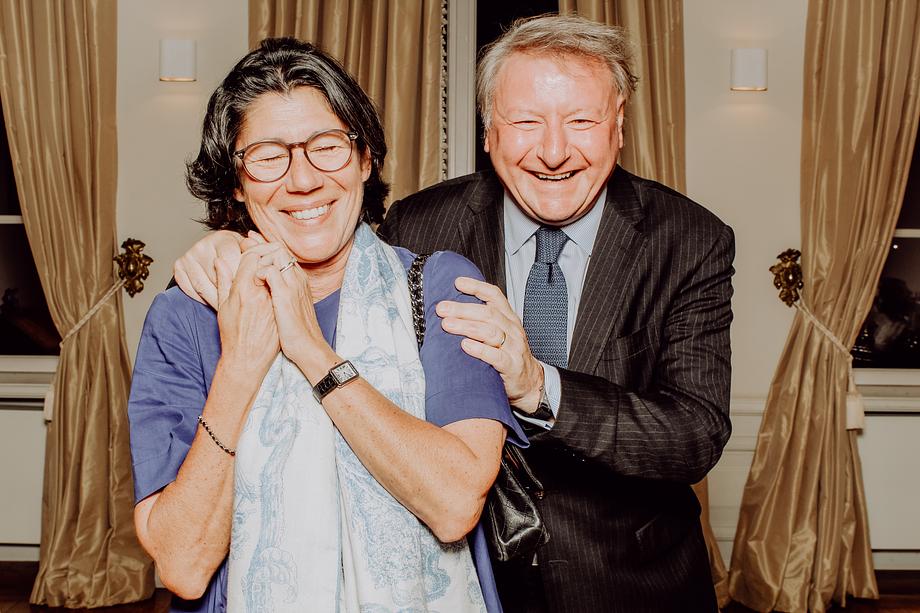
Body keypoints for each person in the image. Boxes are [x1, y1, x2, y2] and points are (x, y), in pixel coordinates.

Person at [175, 14, 734, 613]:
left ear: (618, 123)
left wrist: (539, 387)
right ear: (489, 129)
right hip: (465, 581)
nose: (553, 151)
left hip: (630, 584)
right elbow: (322, 253)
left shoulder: (690, 238)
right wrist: (231, 242)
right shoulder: (420, 225)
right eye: (525, 122)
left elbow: (695, 435)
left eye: (581, 121)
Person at [128, 37, 525, 613]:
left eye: (327, 147)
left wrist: (312, 351)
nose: (303, 180)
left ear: (365, 160)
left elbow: (454, 503)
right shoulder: (185, 315)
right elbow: (183, 567)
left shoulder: (439, 287)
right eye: (268, 156)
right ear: (237, 181)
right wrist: (240, 366)